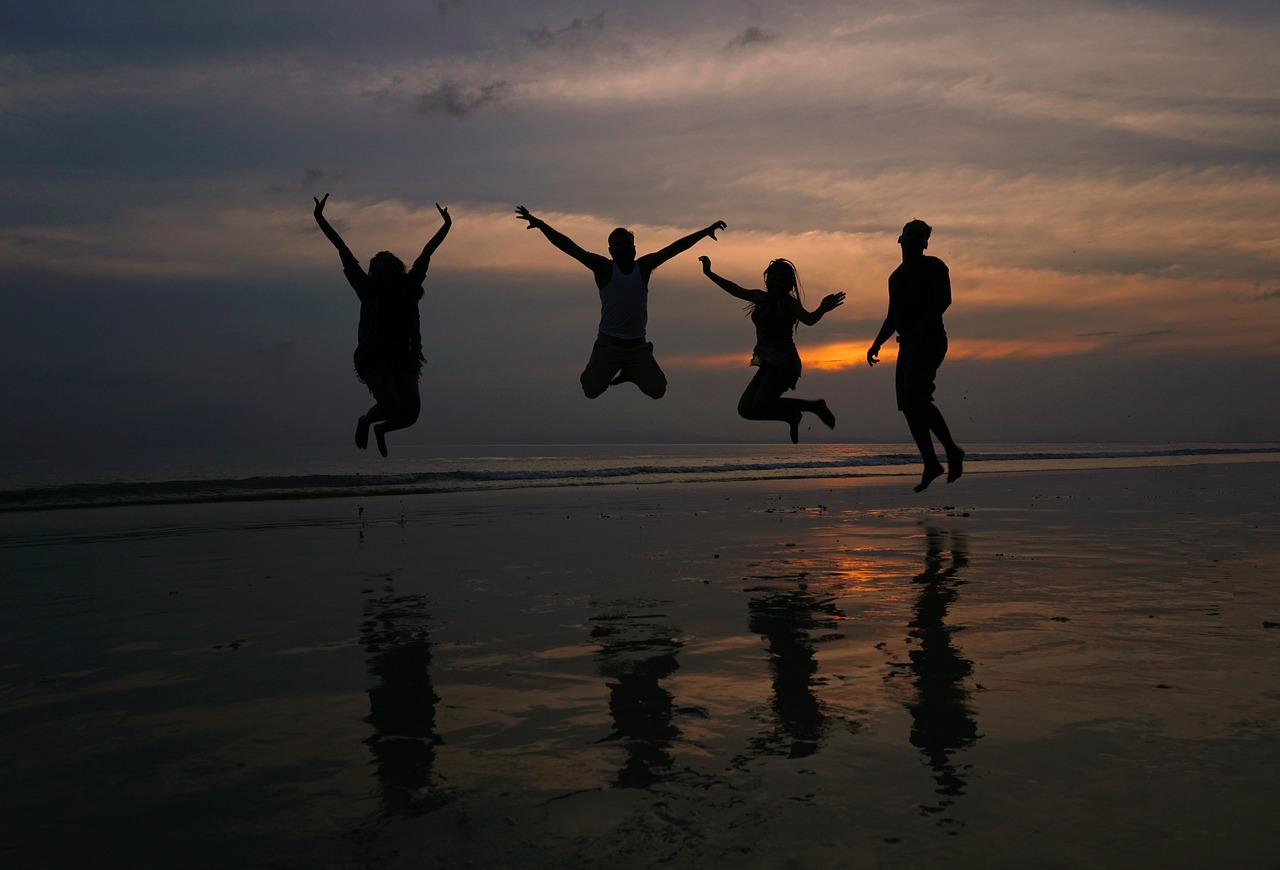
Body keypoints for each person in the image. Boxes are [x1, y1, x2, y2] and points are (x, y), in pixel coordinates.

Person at [514, 205, 726, 399]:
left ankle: (630, 372)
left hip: (637, 346)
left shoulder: (643, 267)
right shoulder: (604, 268)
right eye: (619, 244)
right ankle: (601, 366)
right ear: (611, 250)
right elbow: (570, 247)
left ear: (634, 247)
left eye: (628, 243)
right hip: (608, 344)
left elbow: (674, 248)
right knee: (591, 391)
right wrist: (541, 225)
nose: (625, 247)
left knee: (657, 390)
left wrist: (705, 232)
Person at [313, 193, 451, 456]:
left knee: (410, 414)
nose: (386, 264)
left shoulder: (410, 285)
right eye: (380, 262)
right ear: (374, 270)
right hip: (374, 355)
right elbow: (343, 251)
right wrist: (320, 219)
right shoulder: (367, 288)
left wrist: (446, 226)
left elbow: (427, 252)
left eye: (390, 261)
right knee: (389, 403)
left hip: (404, 354)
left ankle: (382, 430)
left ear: (399, 267)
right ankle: (366, 421)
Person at [699, 256, 844, 443]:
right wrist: (709, 273)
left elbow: (809, 319)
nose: (775, 284)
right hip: (767, 362)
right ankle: (791, 417)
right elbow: (735, 289)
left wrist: (822, 309)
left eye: (780, 281)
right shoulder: (761, 297)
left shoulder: (788, 303)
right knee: (745, 410)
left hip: (785, 363)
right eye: (772, 280)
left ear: (789, 284)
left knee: (760, 404)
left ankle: (814, 406)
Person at [867, 219, 964, 491]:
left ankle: (951, 451)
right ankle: (931, 462)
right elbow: (893, 316)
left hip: (930, 341)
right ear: (900, 239)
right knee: (909, 406)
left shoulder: (934, 265)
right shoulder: (895, 277)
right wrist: (876, 343)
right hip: (906, 345)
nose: (916, 239)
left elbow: (944, 300)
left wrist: (920, 329)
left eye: (921, 236)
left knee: (918, 397)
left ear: (926, 243)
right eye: (911, 234)